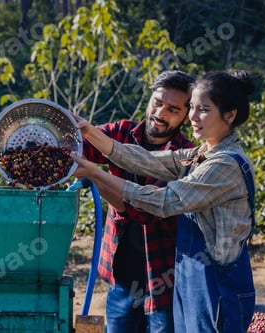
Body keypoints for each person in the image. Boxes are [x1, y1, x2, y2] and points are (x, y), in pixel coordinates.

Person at [72, 70, 257, 333]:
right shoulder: (200, 154)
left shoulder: (224, 165)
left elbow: (166, 201)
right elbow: (149, 160)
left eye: (203, 109)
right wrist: (91, 133)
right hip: (192, 280)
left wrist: (95, 173)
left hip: (217, 286)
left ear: (229, 115)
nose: (192, 116)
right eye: (192, 108)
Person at [81, 70, 195, 333]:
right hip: (122, 276)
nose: (161, 112)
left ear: (186, 115)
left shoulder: (184, 158)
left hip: (163, 279)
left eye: (173, 109)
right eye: (157, 102)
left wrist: (95, 175)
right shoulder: (121, 133)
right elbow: (80, 146)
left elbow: (141, 211)